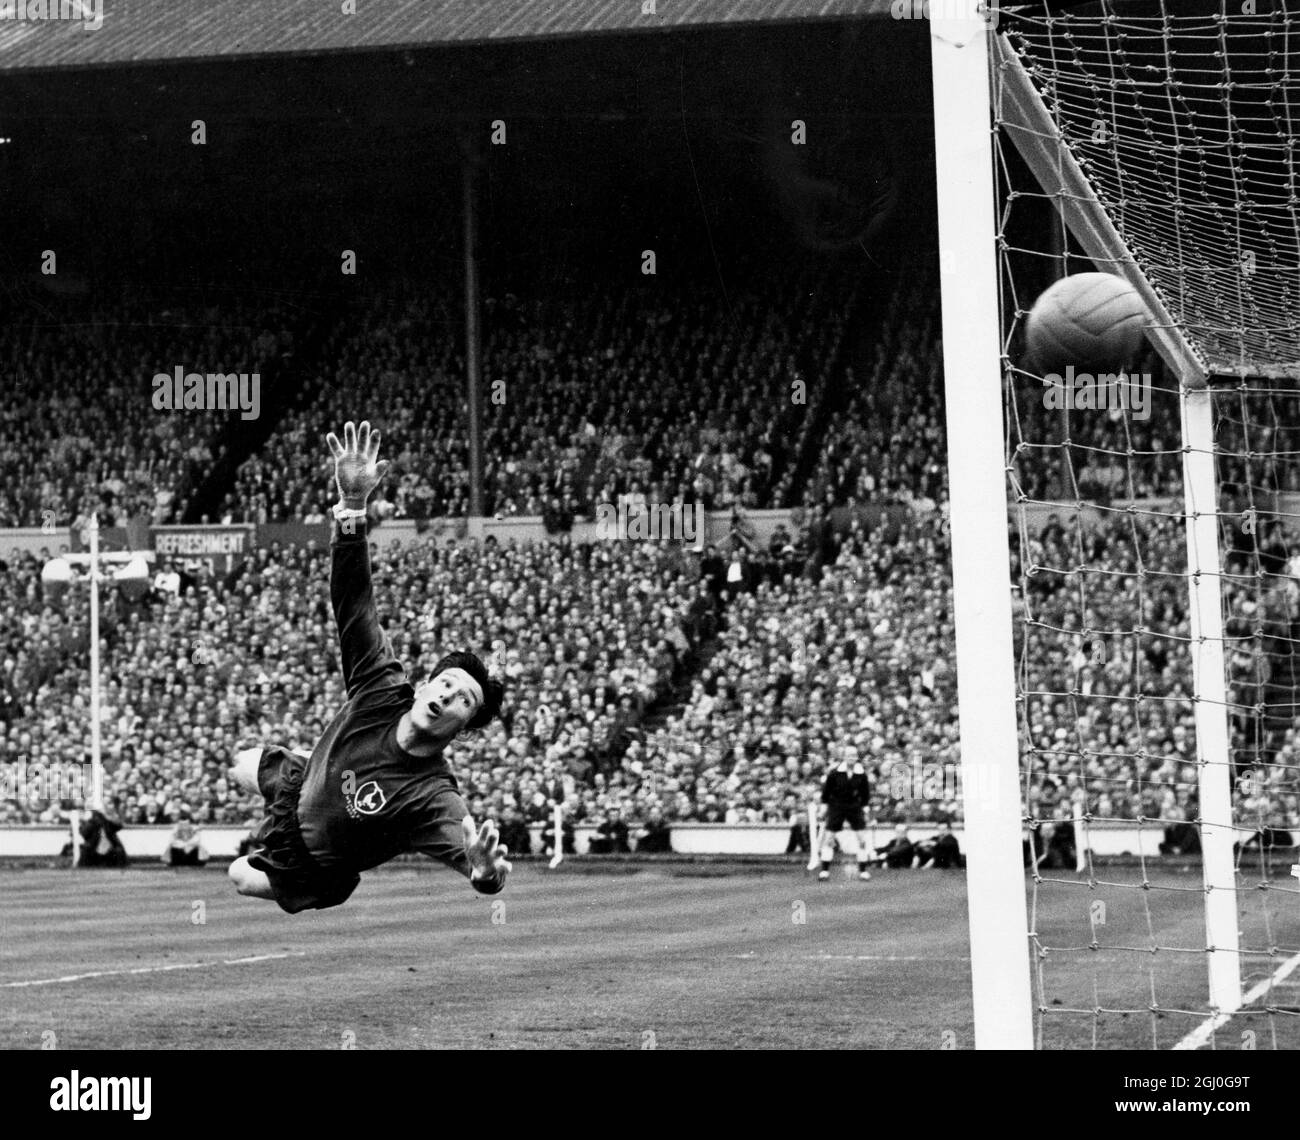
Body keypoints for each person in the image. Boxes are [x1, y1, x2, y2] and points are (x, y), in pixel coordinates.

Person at [225, 421, 512, 914]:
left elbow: (475, 864)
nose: (448, 695)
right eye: (445, 683)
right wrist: (352, 510)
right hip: (302, 785)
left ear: (464, 727)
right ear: (423, 686)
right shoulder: (383, 685)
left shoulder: (433, 796)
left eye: (464, 699)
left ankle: (288, 835)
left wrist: (485, 876)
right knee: (239, 763)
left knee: (239, 876)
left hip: (313, 864)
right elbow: (355, 602)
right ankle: (303, 775)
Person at [816, 750, 872, 881]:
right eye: (849, 756)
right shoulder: (834, 773)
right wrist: (823, 809)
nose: (851, 758)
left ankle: (863, 871)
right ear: (844, 757)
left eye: (853, 756)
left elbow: (865, 795)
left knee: (861, 839)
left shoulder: (862, 775)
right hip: (837, 806)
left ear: (857, 758)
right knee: (829, 838)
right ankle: (824, 871)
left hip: (854, 807)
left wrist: (866, 811)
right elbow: (826, 793)